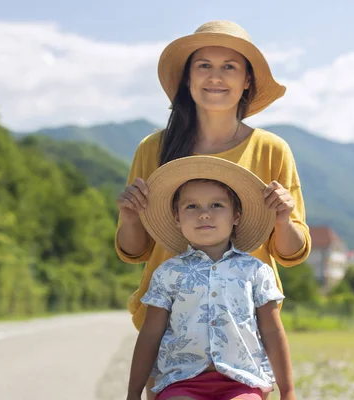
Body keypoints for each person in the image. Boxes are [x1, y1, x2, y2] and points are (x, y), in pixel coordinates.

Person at [116, 20, 311, 399]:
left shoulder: (272, 149)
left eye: (229, 66)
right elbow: (135, 251)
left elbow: (291, 252)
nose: (215, 77)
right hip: (172, 336)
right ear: (187, 78)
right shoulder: (152, 149)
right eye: (203, 65)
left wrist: (282, 219)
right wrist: (127, 217)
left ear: (247, 81)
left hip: (242, 338)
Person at [125, 156, 295, 400]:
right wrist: (133, 394)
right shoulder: (167, 273)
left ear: (236, 215)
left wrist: (288, 392)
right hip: (180, 381)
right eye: (192, 207)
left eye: (216, 205)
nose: (204, 214)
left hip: (242, 382)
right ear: (176, 216)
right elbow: (150, 335)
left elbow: (272, 332)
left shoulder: (256, 271)